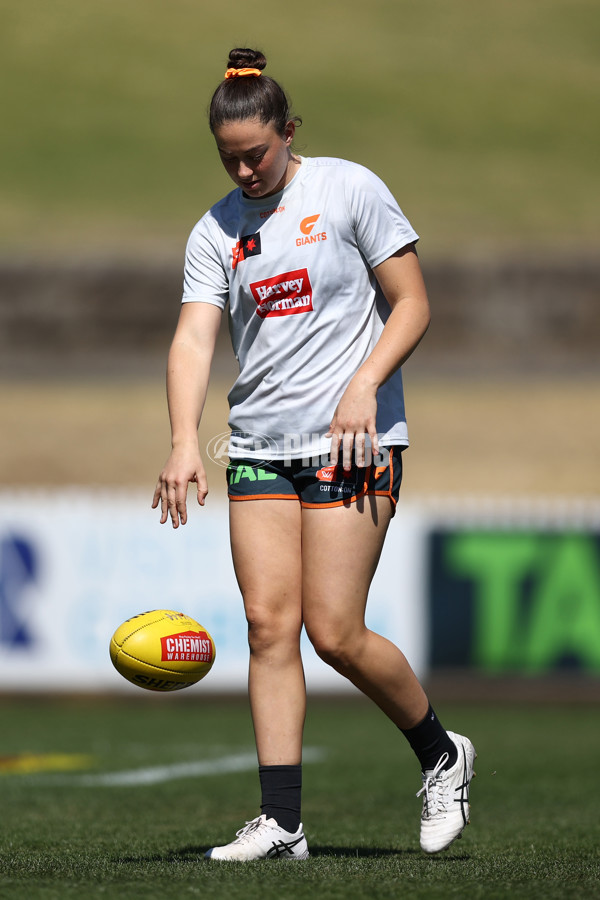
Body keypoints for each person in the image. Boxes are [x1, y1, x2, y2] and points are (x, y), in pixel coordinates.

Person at [152, 47, 476, 862]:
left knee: (334, 633)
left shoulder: (348, 189)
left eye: (257, 152)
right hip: (258, 443)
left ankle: (442, 754)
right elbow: (194, 338)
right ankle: (282, 823)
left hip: (353, 440)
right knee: (270, 627)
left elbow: (413, 303)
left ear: (289, 131)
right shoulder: (215, 229)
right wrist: (184, 439)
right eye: (229, 158)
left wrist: (366, 383)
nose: (245, 169)